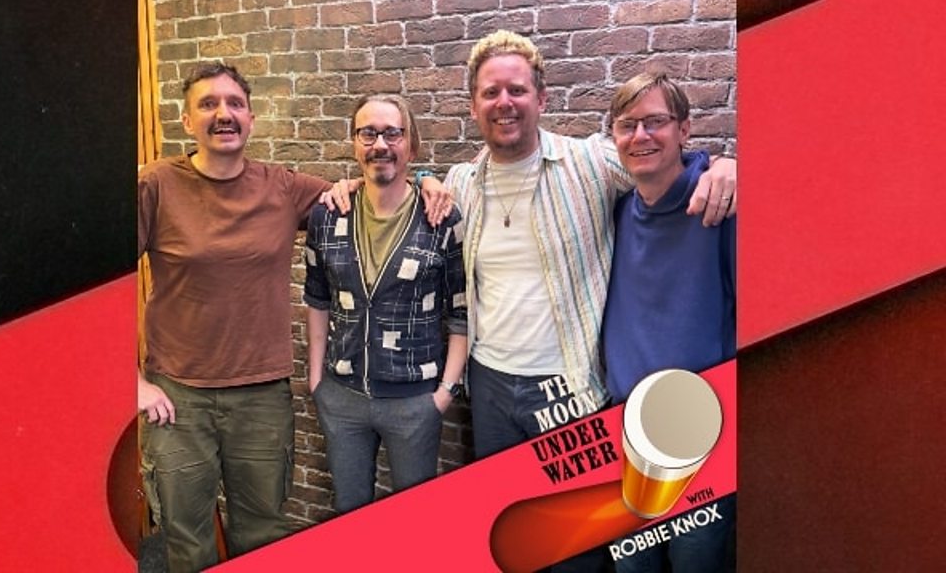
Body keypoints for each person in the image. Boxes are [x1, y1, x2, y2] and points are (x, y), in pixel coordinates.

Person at [439, 30, 738, 572]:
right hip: (490, 384)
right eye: (490, 92)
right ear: (473, 105)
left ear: (541, 97)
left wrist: (727, 165)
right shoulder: (461, 182)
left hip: (569, 386)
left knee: (575, 545)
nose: (504, 102)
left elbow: (663, 161)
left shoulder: (589, 162)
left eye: (517, 90)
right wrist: (407, 182)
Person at [136, 61, 356, 572]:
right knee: (187, 540)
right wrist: (130, 383)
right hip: (177, 399)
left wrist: (426, 184)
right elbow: (94, 289)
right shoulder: (156, 185)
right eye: (208, 104)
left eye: (235, 103)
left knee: (262, 536)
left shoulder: (283, 188)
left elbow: (373, 201)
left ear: (251, 119)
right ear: (187, 121)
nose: (223, 114)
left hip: (261, 398)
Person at [303, 94, 468, 513]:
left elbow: (461, 311)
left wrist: (444, 392)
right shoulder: (328, 215)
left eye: (393, 133)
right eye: (368, 133)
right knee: (350, 514)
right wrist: (316, 379)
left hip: (415, 401)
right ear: (354, 143)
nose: (380, 144)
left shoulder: (440, 218)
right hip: (341, 396)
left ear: (411, 145)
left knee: (413, 521)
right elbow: (317, 298)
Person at [601, 72, 736, 573]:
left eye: (655, 121)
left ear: (684, 129)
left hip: (699, 437)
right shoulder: (616, 210)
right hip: (624, 435)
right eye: (627, 125)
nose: (641, 136)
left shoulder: (721, 207)